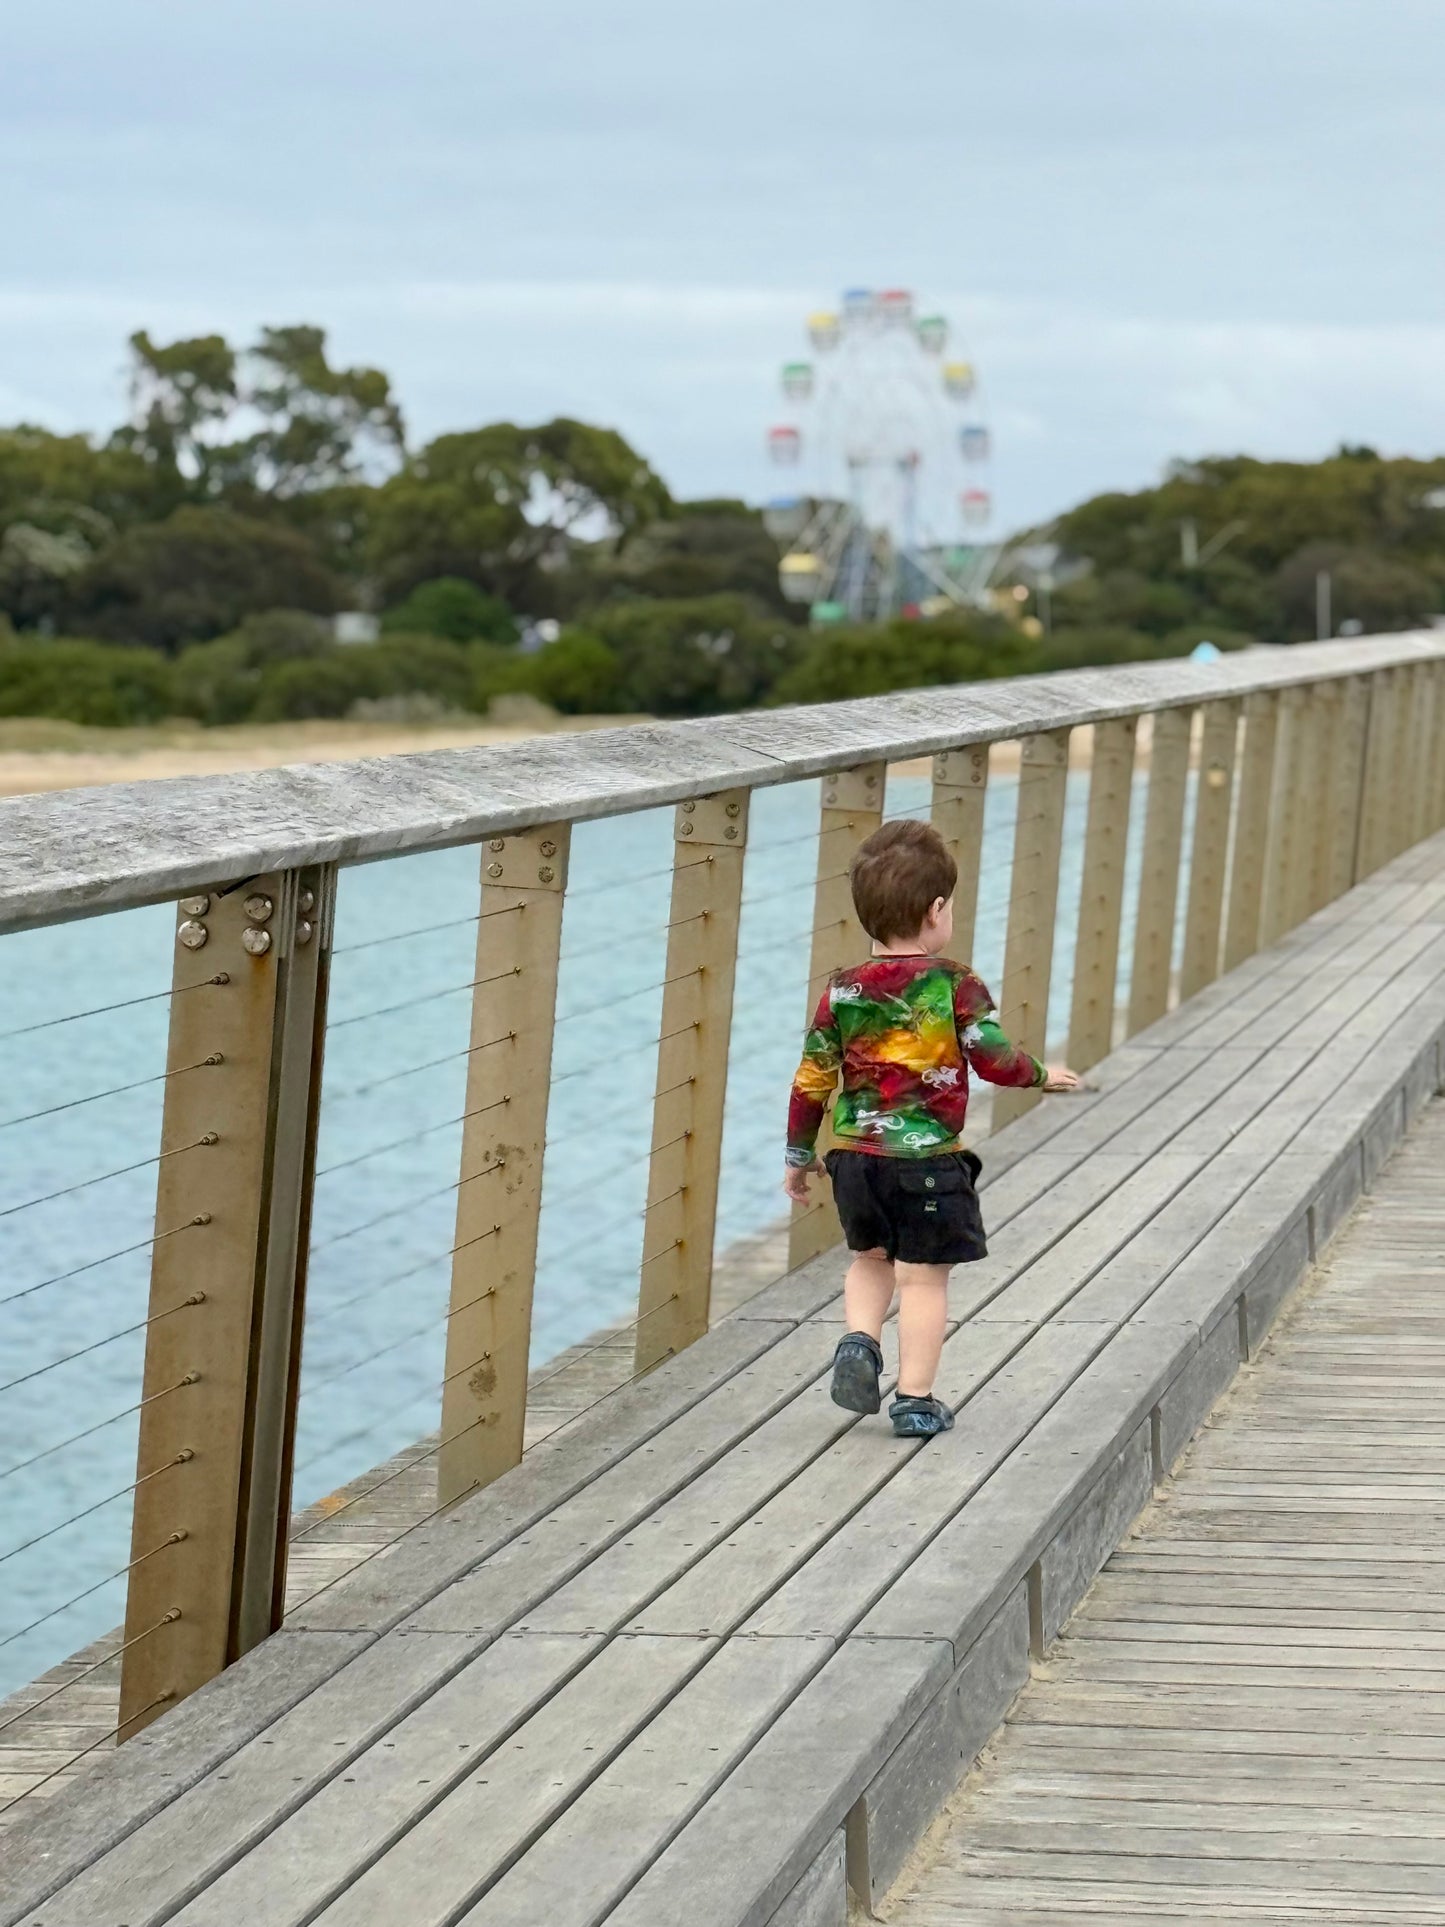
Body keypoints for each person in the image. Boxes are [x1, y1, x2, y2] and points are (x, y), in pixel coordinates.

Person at [783, 817, 1079, 1438]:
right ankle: (915, 1399)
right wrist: (1042, 1075)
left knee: (869, 1260)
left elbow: (812, 1078)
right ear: (937, 910)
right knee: (921, 1280)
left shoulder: (840, 992)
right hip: (927, 1163)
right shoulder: (954, 984)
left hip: (855, 1161)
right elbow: (993, 1058)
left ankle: (859, 1342)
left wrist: (797, 1154)